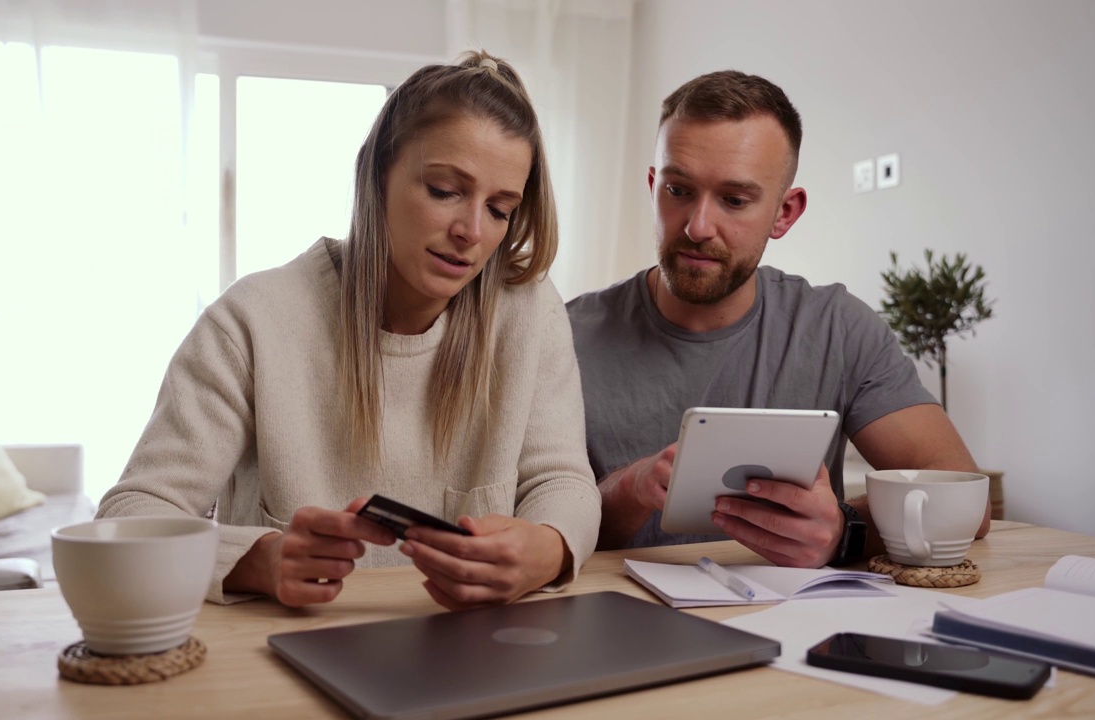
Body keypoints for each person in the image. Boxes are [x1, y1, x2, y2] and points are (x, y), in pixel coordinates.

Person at [98, 51, 600, 610]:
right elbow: (130, 517)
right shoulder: (252, 321)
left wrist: (549, 547)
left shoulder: (528, 311)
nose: (471, 232)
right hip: (287, 652)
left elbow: (565, 483)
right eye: (444, 191)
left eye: (500, 209)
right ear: (377, 173)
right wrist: (258, 560)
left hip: (471, 651)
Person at [566, 70, 985, 568]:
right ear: (654, 185)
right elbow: (529, 528)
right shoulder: (564, 337)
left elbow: (964, 502)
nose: (699, 227)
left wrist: (843, 530)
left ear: (785, 212)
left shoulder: (838, 328)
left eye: (735, 200)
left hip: (791, 630)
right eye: (678, 191)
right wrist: (630, 491)